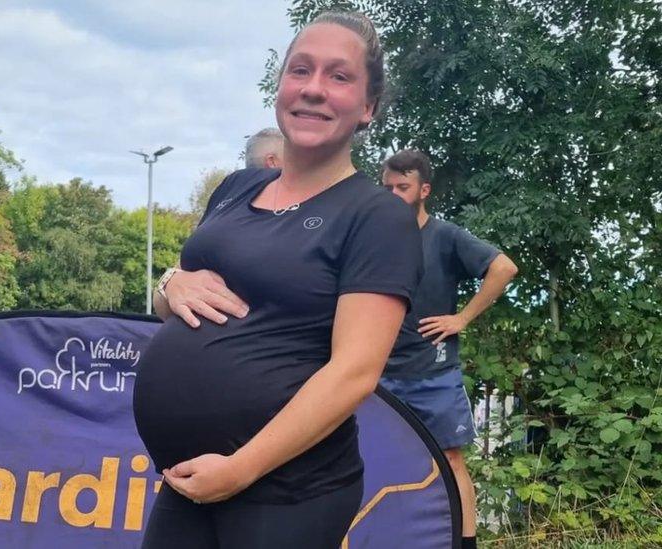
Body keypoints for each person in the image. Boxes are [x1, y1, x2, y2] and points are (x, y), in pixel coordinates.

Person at [132, 11, 423, 548]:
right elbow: (182, 303)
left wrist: (241, 468)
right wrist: (170, 283)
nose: (314, 89)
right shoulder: (235, 189)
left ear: (368, 107)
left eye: (339, 77)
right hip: (191, 480)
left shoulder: (376, 217)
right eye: (300, 70)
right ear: (280, 85)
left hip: (286, 492)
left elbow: (354, 372)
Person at [380, 149, 518, 549]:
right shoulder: (374, 239)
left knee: (450, 459)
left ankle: (466, 542)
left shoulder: (445, 236)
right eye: (386, 187)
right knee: (379, 460)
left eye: (402, 188)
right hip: (376, 376)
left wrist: (462, 319)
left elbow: (504, 268)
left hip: (432, 373)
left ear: (424, 190)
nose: (392, 195)